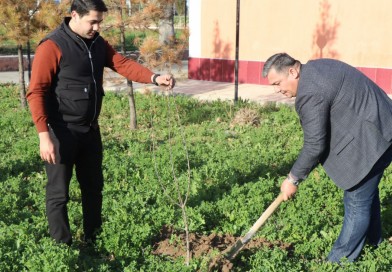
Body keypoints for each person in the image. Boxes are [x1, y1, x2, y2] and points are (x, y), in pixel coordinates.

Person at [26, 0, 175, 246]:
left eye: (100, 22)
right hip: (60, 132)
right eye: (92, 21)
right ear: (74, 15)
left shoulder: (97, 43)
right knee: (58, 195)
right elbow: (36, 92)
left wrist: (154, 77)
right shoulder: (52, 46)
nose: (97, 27)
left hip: (90, 131)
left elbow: (121, 63)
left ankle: (93, 240)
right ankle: (62, 247)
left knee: (93, 189)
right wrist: (44, 135)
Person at [262, 53, 392, 263]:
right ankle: (373, 242)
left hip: (375, 137)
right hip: (379, 125)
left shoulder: (310, 92)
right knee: (366, 195)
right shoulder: (316, 68)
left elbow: (315, 144)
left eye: (277, 83)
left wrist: (293, 179)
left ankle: (338, 263)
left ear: (293, 72)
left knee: (357, 202)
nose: (277, 90)